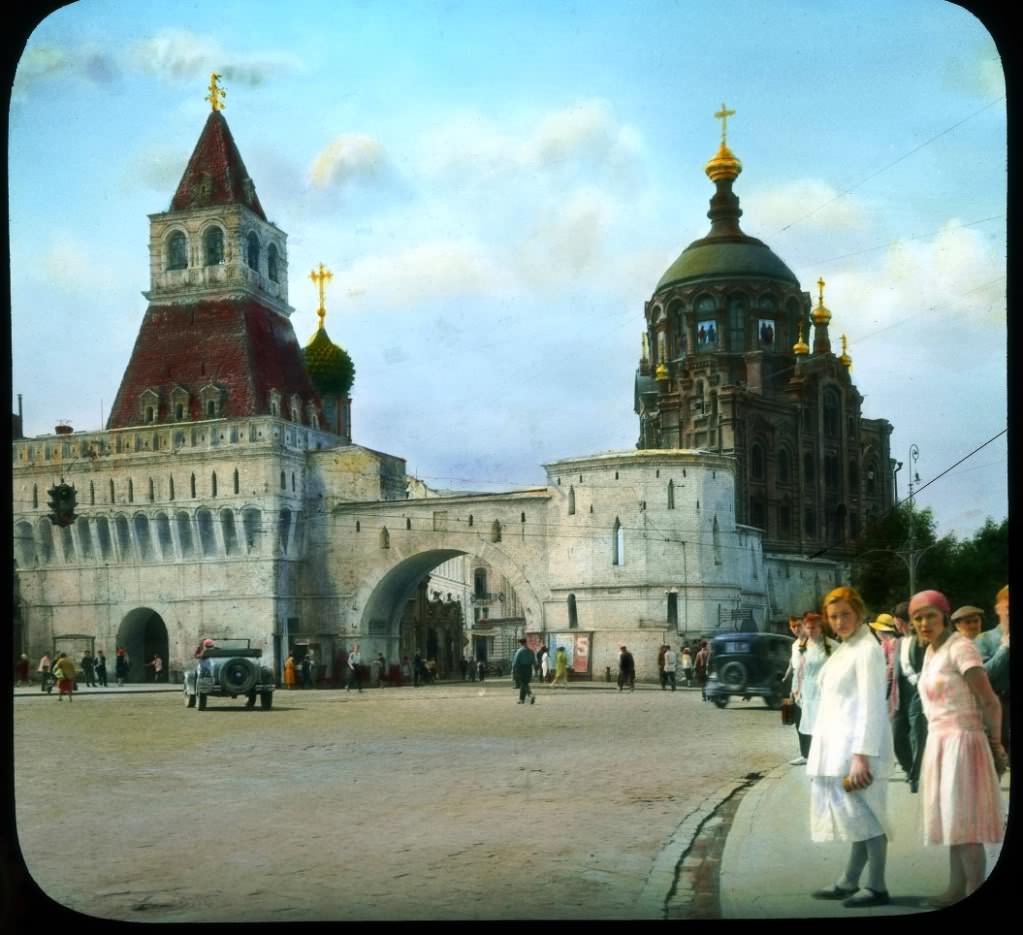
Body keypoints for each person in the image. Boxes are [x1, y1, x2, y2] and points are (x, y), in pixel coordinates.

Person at [911, 589, 1006, 906]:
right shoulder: (930, 652)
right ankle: (955, 888)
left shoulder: (961, 647)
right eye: (917, 618)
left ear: (944, 617)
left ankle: (973, 889)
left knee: (966, 824)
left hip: (963, 743)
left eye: (930, 616)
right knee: (953, 821)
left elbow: (990, 702)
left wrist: (996, 747)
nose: (924, 623)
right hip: (939, 742)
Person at [807, 586, 894, 909]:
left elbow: (872, 705)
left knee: (868, 817)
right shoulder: (846, 648)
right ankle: (849, 881)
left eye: (845, 614)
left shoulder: (867, 649)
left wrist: (861, 756)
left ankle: (877, 886)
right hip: (838, 746)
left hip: (858, 750)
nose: (839, 621)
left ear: (859, 612)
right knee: (856, 817)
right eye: (833, 616)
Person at [890, 600, 928, 792]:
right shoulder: (897, 642)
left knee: (917, 736)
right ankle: (909, 768)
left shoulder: (922, 640)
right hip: (901, 694)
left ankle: (916, 776)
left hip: (919, 693)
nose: (896, 625)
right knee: (896, 736)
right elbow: (893, 672)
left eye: (898, 621)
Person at [792, 611, 836, 763]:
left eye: (815, 628)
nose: (811, 631)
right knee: (811, 727)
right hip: (808, 692)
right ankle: (815, 761)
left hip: (825, 692)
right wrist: (796, 690)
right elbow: (799, 671)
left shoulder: (831, 645)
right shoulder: (802, 646)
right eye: (808, 628)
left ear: (821, 628)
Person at [975, 585, 1009, 756]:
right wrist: (1005, 649)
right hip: (997, 709)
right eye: (1008, 607)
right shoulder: (984, 639)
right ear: (998, 609)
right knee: (994, 769)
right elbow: (983, 675)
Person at [782, 616, 805, 763]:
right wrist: (786, 679)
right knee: (798, 720)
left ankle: (812, 754)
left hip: (807, 684)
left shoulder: (809, 642)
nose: (796, 629)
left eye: (798, 625)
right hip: (796, 683)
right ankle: (805, 754)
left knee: (808, 721)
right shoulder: (795, 644)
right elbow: (792, 664)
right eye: (793, 626)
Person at [869, 613, 900, 720]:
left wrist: (885, 689)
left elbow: (891, 668)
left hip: (889, 688)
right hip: (882, 686)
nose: (875, 632)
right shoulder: (883, 643)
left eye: (877, 629)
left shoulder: (892, 643)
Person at [512, 638, 536, 704]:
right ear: (526, 643)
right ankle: (524, 698)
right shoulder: (531, 651)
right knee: (525, 683)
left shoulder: (519, 651)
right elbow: (534, 662)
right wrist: (535, 670)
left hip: (521, 669)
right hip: (529, 669)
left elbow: (515, 662)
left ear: (521, 644)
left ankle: (529, 696)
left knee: (523, 684)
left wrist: (514, 670)